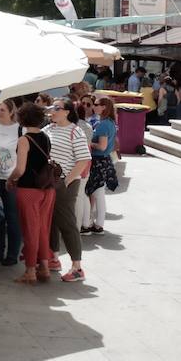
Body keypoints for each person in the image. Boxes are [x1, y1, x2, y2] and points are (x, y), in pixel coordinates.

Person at [43, 98, 91, 282]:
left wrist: (66, 182)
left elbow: (83, 160)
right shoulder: (48, 129)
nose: (52, 111)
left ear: (67, 112)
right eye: (51, 108)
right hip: (49, 181)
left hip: (66, 183)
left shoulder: (75, 131)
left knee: (67, 223)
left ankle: (77, 267)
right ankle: (54, 257)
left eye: (56, 108)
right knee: (51, 220)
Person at [11, 102, 56, 284]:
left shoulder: (24, 140)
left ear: (22, 119)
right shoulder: (46, 137)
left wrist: (11, 179)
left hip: (28, 189)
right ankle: (44, 267)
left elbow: (20, 169)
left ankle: (30, 270)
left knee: (30, 230)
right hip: (48, 189)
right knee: (43, 229)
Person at [0, 98, 23, 265]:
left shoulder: (20, 129)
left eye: (2, 110)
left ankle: (13, 255)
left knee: (12, 218)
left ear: (11, 112)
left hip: (12, 179)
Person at [84, 96, 119, 235]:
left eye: (97, 104)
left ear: (104, 107)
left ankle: (98, 224)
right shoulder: (108, 122)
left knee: (97, 193)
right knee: (99, 193)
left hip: (99, 160)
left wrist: (89, 143)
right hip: (104, 160)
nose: (94, 106)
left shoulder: (103, 124)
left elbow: (102, 146)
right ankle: (98, 223)